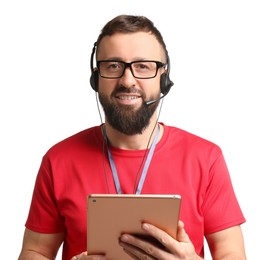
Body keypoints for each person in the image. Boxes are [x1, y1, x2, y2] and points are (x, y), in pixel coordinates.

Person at [18, 14, 246, 260]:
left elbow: (232, 254)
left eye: (143, 66)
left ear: (164, 78)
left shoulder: (206, 158)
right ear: (96, 78)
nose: (127, 81)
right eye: (113, 65)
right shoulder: (58, 160)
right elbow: (35, 251)